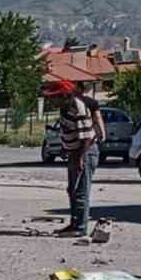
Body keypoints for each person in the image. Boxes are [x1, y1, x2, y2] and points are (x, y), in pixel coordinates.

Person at [44, 79, 106, 237]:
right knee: (72, 189)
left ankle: (80, 227)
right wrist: (66, 149)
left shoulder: (78, 107)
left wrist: (79, 159)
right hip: (74, 152)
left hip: (85, 152)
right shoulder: (65, 108)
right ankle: (74, 223)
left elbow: (86, 137)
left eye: (54, 97)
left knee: (80, 191)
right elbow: (69, 131)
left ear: (64, 95)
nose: (50, 100)